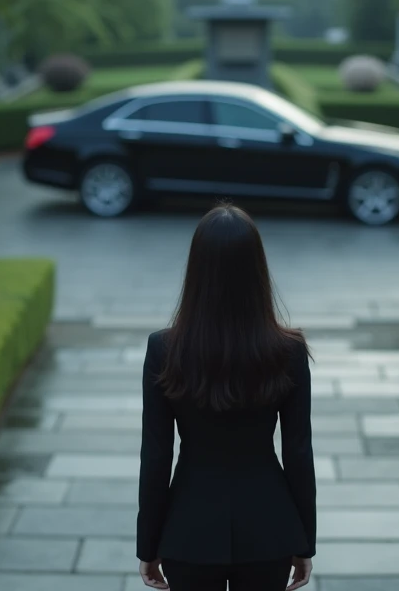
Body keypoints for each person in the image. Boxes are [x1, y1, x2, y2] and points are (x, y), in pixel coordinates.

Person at [136, 204, 316, 591]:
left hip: (189, 530)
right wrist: (304, 541)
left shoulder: (164, 349)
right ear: (257, 270)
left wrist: (147, 545)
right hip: (270, 528)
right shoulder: (288, 351)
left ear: (196, 270)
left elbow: (155, 455)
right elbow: (299, 452)